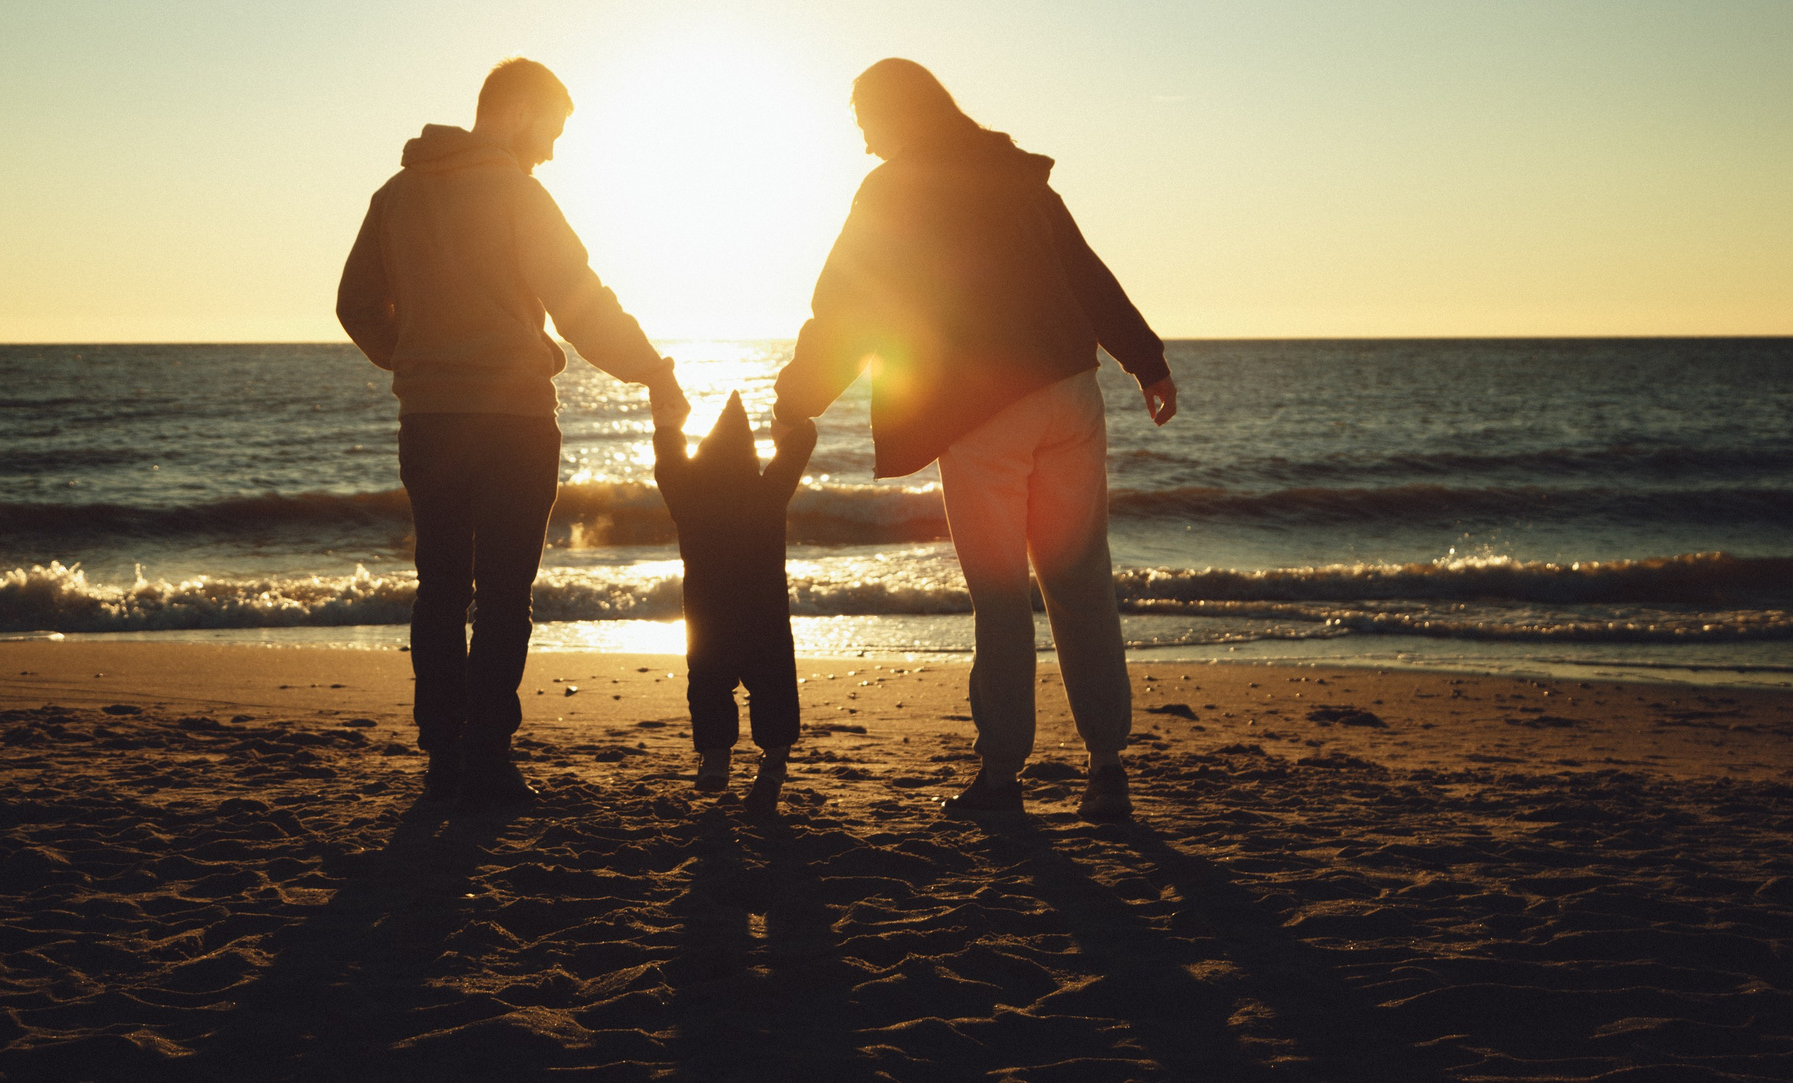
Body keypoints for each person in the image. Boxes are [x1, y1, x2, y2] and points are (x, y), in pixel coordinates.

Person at [772, 59, 1176, 822]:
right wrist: (1146, 361)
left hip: (983, 408)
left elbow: (847, 308)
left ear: (895, 112)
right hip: (1068, 392)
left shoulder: (894, 189)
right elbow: (1086, 274)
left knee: (998, 592)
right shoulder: (1013, 175)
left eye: (864, 118)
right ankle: (1108, 767)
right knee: (1080, 576)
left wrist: (797, 396)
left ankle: (1000, 777)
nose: (861, 138)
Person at [337, 57, 690, 809]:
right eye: (553, 129)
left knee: (439, 586)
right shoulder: (521, 195)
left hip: (428, 420)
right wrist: (653, 371)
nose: (554, 149)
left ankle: (441, 752)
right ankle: (488, 756)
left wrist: (414, 360)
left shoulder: (395, 195)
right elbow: (582, 304)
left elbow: (355, 303)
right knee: (503, 594)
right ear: (522, 111)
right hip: (514, 422)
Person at [653, 391, 813, 794]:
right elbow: (798, 450)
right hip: (765, 611)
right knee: (773, 682)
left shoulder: (688, 496)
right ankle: (774, 763)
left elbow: (669, 464)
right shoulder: (767, 492)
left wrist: (669, 426)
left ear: (703, 457)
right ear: (749, 460)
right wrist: (791, 424)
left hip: (709, 614)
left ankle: (715, 758)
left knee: (708, 681)